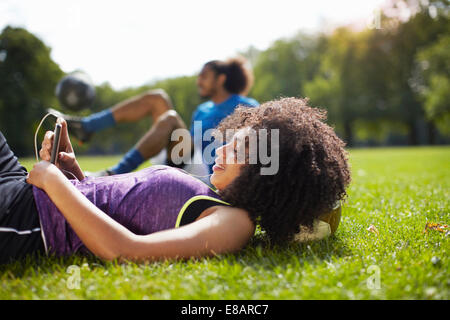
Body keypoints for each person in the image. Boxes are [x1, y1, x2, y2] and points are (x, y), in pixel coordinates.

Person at [0, 97, 351, 264]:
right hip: (29, 188)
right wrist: (73, 174)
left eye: (242, 149)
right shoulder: (215, 197)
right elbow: (113, 206)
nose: (223, 149)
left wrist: (53, 182)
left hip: (27, 219)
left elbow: (127, 252)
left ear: (273, 177)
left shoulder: (235, 223)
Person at [49, 57, 259, 177]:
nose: (198, 81)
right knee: (158, 99)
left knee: (170, 117)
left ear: (221, 79)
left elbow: (260, 149)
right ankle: (87, 126)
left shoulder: (247, 106)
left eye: (204, 76)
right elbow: (191, 142)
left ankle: (113, 174)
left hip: (211, 171)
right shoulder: (203, 109)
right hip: (185, 161)